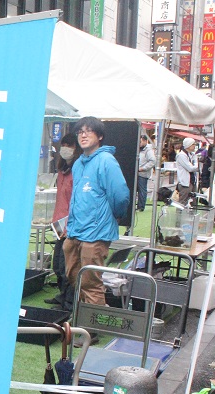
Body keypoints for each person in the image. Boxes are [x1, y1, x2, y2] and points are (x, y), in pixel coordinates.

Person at [64, 117, 130, 346]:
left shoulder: (106, 161)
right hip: (75, 231)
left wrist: (114, 216)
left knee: (91, 282)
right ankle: (91, 314)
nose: (83, 135)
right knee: (74, 276)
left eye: (89, 131)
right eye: (80, 132)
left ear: (99, 136)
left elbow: (121, 195)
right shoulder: (78, 163)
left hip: (96, 233)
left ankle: (91, 330)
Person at [45, 134, 80, 313]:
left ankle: (68, 304)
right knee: (57, 266)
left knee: (67, 268)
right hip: (59, 224)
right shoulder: (62, 171)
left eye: (70, 145)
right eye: (63, 144)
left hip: (72, 225)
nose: (65, 148)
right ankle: (62, 296)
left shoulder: (78, 171)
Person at [176, 137, 199, 206]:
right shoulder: (181, 155)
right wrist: (196, 165)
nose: (194, 146)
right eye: (193, 144)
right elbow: (190, 168)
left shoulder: (192, 155)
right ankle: (180, 213)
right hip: (185, 183)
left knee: (193, 201)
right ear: (188, 145)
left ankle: (191, 213)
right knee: (183, 202)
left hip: (192, 181)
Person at [136, 135, 156, 212]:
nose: (139, 143)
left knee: (142, 190)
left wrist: (142, 168)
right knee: (137, 190)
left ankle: (141, 207)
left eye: (140, 142)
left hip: (142, 174)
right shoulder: (138, 148)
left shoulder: (148, 150)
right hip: (136, 173)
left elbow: (153, 161)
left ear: (145, 141)